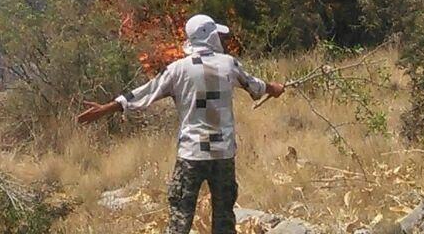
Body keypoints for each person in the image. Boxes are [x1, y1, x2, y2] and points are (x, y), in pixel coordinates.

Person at [77, 14, 285, 234]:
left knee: (179, 221)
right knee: (224, 221)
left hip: (191, 154)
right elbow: (256, 86)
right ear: (211, 36)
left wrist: (106, 108)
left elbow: (144, 93)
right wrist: (276, 88)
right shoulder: (228, 64)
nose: (222, 40)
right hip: (222, 155)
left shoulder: (178, 69)